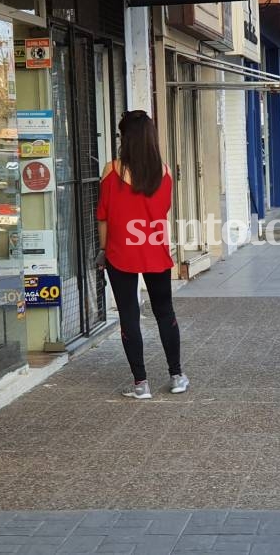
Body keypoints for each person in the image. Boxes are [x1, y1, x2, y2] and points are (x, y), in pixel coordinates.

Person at [95, 109, 189, 399]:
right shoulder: (164, 171)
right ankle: (176, 376)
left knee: (129, 315)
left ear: (125, 138)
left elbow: (103, 217)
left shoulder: (111, 170)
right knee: (164, 312)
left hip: (120, 251)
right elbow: (163, 210)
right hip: (154, 249)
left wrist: (102, 250)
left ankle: (141, 384)